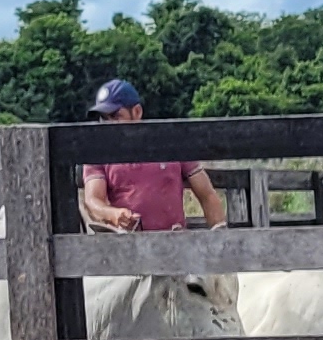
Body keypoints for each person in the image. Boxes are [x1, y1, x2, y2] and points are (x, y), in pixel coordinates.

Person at [80, 79, 229, 231]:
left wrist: (221, 241)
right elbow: (93, 200)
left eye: (116, 116)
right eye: (104, 118)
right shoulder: (98, 152)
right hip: (127, 243)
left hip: (174, 239)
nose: (109, 124)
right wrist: (113, 214)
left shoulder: (170, 143)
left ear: (137, 112)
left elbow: (207, 195)